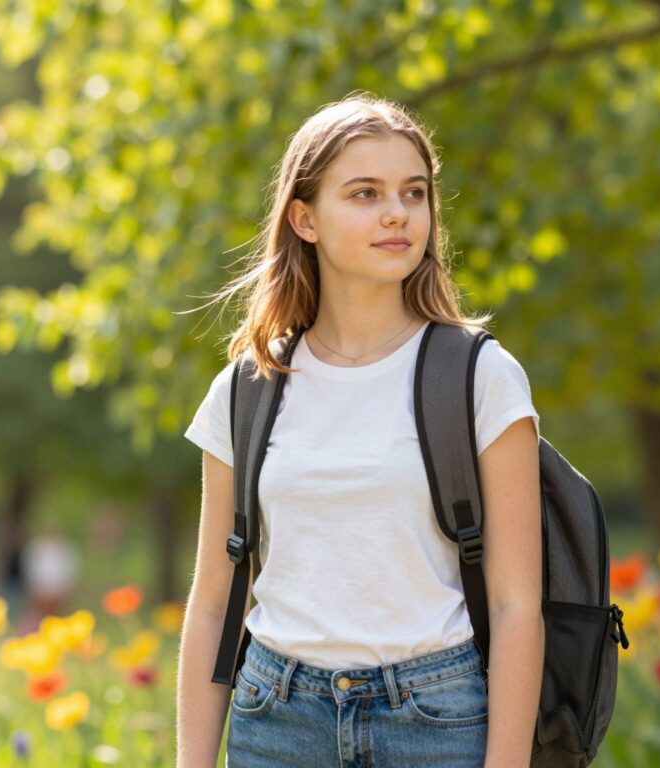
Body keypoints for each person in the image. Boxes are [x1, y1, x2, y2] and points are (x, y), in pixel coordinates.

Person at [176, 92, 545, 768]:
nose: (397, 214)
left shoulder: (479, 377)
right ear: (304, 218)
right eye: (365, 193)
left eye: (414, 192)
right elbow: (211, 606)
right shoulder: (246, 389)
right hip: (274, 720)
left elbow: (517, 604)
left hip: (437, 720)